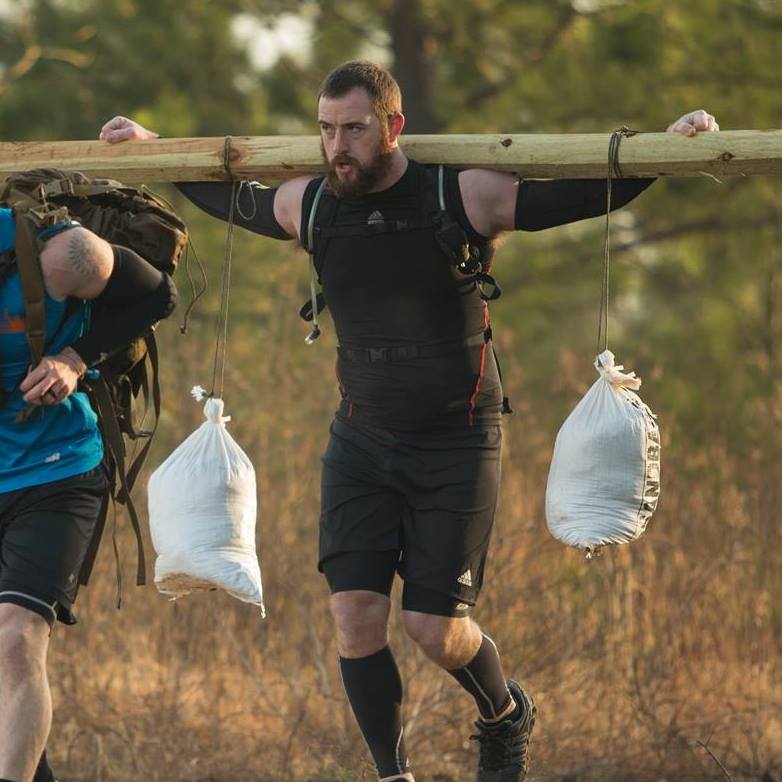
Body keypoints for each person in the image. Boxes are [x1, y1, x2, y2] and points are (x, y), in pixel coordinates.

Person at [100, 60, 718, 782]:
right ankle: (393, 776)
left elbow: (576, 197)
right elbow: (231, 199)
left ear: (393, 126)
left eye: (354, 130)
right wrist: (157, 147)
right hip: (361, 438)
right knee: (354, 617)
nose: (338, 147)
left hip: (457, 440)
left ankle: (504, 714)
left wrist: (665, 151)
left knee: (434, 628)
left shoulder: (460, 194)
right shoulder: (313, 205)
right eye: (326, 130)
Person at [0, 212, 177, 782]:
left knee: (16, 639)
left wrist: (74, 358)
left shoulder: (57, 254)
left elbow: (158, 296)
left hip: (54, 471)